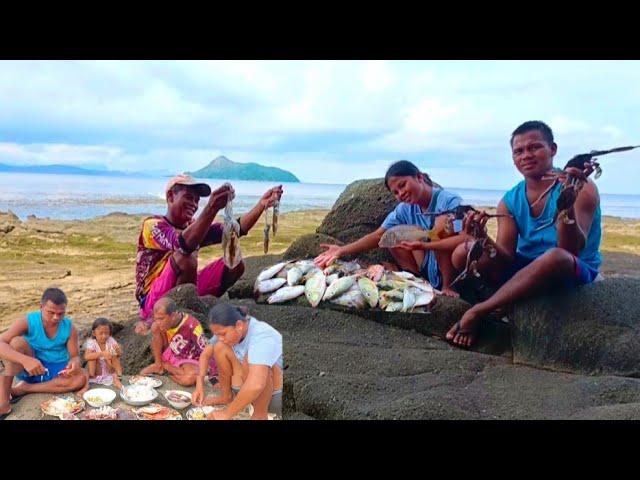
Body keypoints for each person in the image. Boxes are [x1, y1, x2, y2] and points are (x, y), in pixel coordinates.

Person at [446, 120, 602, 347]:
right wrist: (482, 239)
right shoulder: (510, 200)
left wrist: (566, 202)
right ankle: (504, 304)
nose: (526, 155)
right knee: (463, 252)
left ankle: (480, 310)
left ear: (553, 149)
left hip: (569, 268)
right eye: (518, 151)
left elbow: (571, 251)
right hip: (528, 266)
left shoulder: (582, 186)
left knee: (554, 256)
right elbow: (505, 256)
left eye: (534, 147)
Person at [134, 174, 283, 335]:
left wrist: (262, 205)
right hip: (153, 301)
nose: (194, 204)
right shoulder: (153, 226)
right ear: (170, 196)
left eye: (197, 201)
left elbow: (235, 229)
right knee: (186, 258)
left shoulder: (194, 226)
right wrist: (211, 207)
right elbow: (183, 244)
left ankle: (197, 307)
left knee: (234, 262)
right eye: (189, 198)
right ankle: (168, 319)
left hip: (183, 291)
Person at [314, 160, 469, 297]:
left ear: (419, 177)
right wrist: (342, 250)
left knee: (442, 226)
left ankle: (447, 286)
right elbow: (378, 236)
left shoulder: (448, 201)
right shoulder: (404, 209)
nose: (401, 193)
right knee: (392, 235)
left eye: (403, 185)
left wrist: (427, 243)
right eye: (395, 192)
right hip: (425, 264)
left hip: (449, 267)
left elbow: (465, 237)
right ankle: (415, 279)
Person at [0, 287, 89, 420]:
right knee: (16, 343)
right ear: (41, 307)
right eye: (51, 312)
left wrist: (74, 363)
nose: (56, 317)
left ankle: (24, 388)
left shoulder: (70, 328)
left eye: (61, 313)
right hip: (30, 368)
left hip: (56, 372)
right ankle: (3, 403)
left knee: (81, 378)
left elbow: (75, 356)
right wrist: (25, 360)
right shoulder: (28, 321)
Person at [192, 303, 282, 420]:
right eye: (217, 335)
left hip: (274, 396)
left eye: (223, 334)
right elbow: (205, 355)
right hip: (246, 385)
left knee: (249, 358)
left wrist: (226, 413)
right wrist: (200, 385)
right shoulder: (229, 329)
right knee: (219, 346)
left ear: (239, 325)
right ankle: (226, 396)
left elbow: (256, 384)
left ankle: (260, 415)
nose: (220, 338)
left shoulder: (261, 335)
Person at [139, 297, 216, 386]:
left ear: (173, 316)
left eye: (161, 319)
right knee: (155, 327)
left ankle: (166, 367)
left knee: (188, 379)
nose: (158, 322)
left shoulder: (192, 326)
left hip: (188, 359)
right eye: (156, 318)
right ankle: (158, 364)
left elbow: (207, 351)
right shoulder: (163, 323)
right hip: (172, 352)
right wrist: (145, 324)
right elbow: (155, 323)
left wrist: (213, 376)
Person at [83, 317, 123, 389]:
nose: (104, 336)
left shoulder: (111, 340)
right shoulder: (91, 343)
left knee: (114, 355)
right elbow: (86, 357)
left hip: (109, 368)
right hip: (97, 371)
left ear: (110, 333)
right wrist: (102, 354)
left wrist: (118, 351)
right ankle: (92, 376)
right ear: (94, 333)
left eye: (106, 333)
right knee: (92, 358)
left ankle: (118, 376)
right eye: (101, 333)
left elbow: (119, 355)